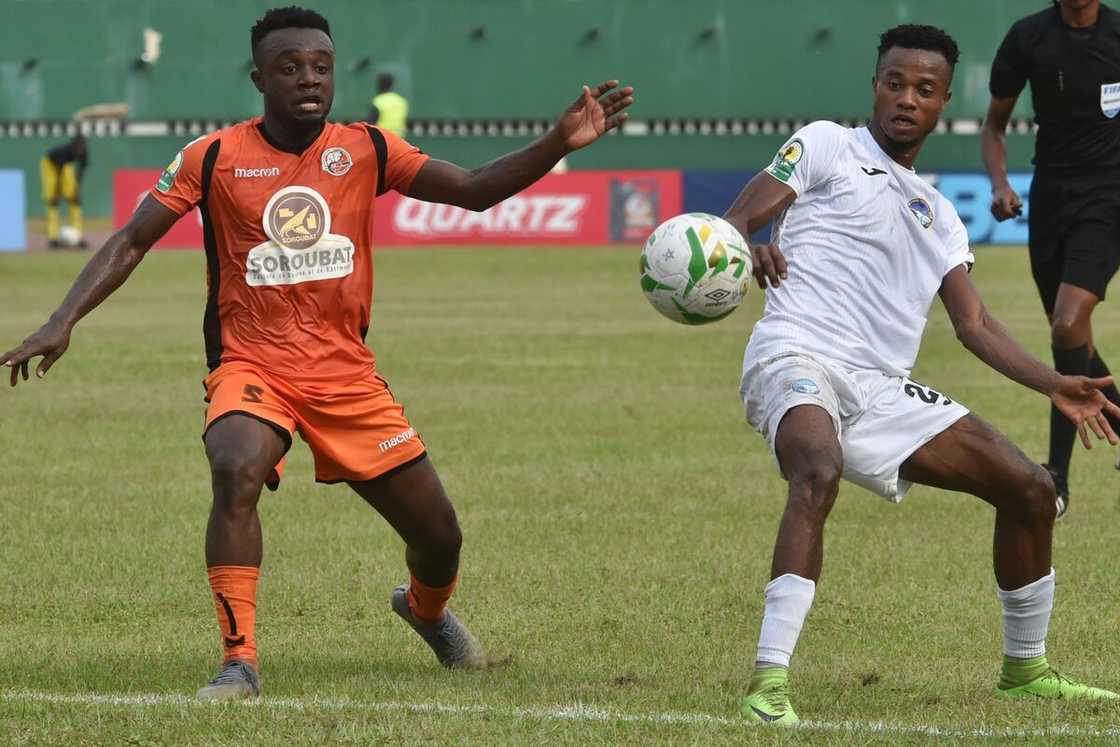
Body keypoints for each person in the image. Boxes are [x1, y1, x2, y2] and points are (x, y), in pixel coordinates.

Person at [1, 6, 632, 700]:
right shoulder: (211, 156)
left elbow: (477, 190)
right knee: (236, 466)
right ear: (259, 78)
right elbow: (130, 239)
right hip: (253, 367)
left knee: (440, 535)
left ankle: (426, 611)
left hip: (345, 377)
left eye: (322, 67)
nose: (309, 79)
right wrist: (62, 321)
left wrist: (556, 140)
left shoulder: (368, 148)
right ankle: (239, 662)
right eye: (290, 67)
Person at [719, 24, 1120, 726]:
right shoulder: (825, 144)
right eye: (895, 83)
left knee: (1029, 488)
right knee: (817, 465)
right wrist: (747, 238)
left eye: (925, 90)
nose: (907, 98)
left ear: (941, 105)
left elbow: (976, 326)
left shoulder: (938, 214)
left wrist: (1054, 383)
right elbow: (747, 210)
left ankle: (1026, 669)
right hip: (795, 352)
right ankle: (769, 681)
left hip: (878, 387)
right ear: (874, 85)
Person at [981, 0, 1120, 519]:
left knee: (1066, 326)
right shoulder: (1027, 38)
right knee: (1074, 342)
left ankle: (1056, 475)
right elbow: (994, 127)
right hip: (1050, 202)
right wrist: (999, 185)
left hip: (1109, 200)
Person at [40, 134, 88, 249]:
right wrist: (56, 193)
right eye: (78, 147)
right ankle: (53, 238)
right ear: (73, 146)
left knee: (75, 200)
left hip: (65, 166)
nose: (80, 150)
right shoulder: (65, 152)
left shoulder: (84, 152)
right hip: (50, 165)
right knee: (53, 202)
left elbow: (81, 171)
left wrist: (76, 190)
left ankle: (77, 236)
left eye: (82, 147)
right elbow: (58, 176)